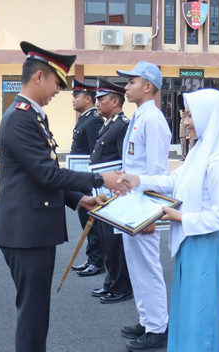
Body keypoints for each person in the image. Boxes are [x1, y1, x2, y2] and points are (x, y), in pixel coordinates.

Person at [0, 42, 119, 352]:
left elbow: (44, 175)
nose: (58, 92)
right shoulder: (21, 118)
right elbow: (47, 175)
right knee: (33, 316)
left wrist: (78, 199)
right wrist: (100, 179)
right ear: (39, 77)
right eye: (56, 84)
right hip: (25, 233)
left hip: (33, 230)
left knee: (37, 313)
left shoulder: (34, 116)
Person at [116, 89, 219, 352]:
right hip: (192, 242)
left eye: (189, 115)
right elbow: (175, 181)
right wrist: (138, 180)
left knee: (201, 323)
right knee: (187, 317)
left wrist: (180, 216)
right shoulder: (201, 151)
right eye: (185, 114)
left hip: (207, 246)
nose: (185, 121)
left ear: (208, 117)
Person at [116, 61, 171, 351]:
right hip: (130, 205)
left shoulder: (153, 120)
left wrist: (152, 214)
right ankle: (147, 318)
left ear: (148, 86)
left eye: (131, 81)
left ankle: (158, 327)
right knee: (136, 267)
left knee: (148, 268)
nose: (126, 86)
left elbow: (160, 175)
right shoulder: (140, 115)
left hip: (143, 207)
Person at [88, 77, 133, 304]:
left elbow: (125, 163)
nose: (97, 103)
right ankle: (110, 282)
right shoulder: (109, 123)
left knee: (115, 243)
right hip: (103, 193)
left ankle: (120, 286)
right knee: (107, 241)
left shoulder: (122, 125)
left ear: (115, 101)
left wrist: (120, 188)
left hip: (115, 194)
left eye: (101, 99)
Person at [69, 79, 107, 277]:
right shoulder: (85, 118)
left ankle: (97, 261)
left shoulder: (93, 120)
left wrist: (93, 183)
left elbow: (95, 154)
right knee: (86, 221)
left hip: (88, 179)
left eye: (76, 96)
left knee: (92, 221)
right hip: (80, 178)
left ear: (87, 98)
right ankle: (92, 257)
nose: (73, 100)